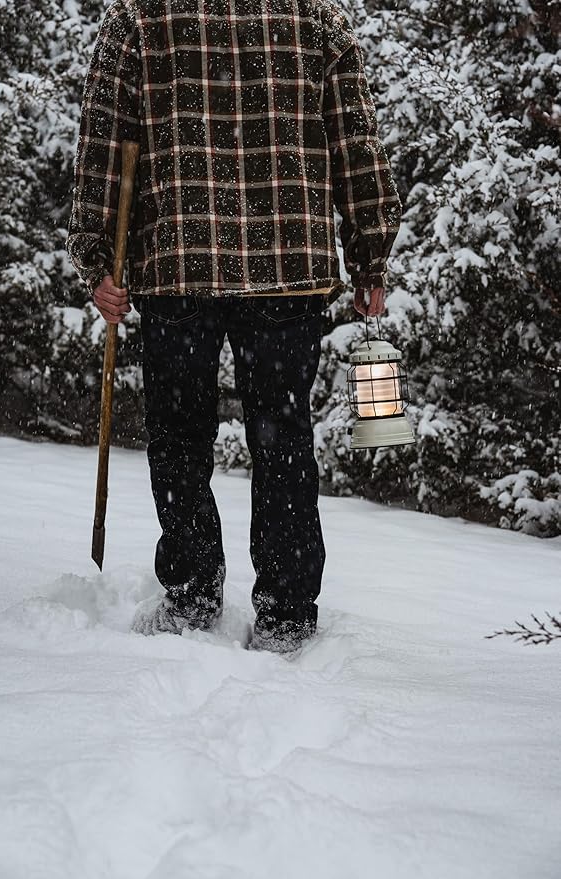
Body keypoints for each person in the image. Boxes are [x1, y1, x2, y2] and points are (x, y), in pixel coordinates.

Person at [66, 0, 402, 652]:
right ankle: (285, 611)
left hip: (179, 262)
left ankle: (191, 592)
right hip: (287, 264)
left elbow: (105, 138)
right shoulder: (317, 13)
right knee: (282, 436)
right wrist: (369, 254)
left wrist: (96, 255)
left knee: (179, 434)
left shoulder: (139, 13)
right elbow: (355, 141)